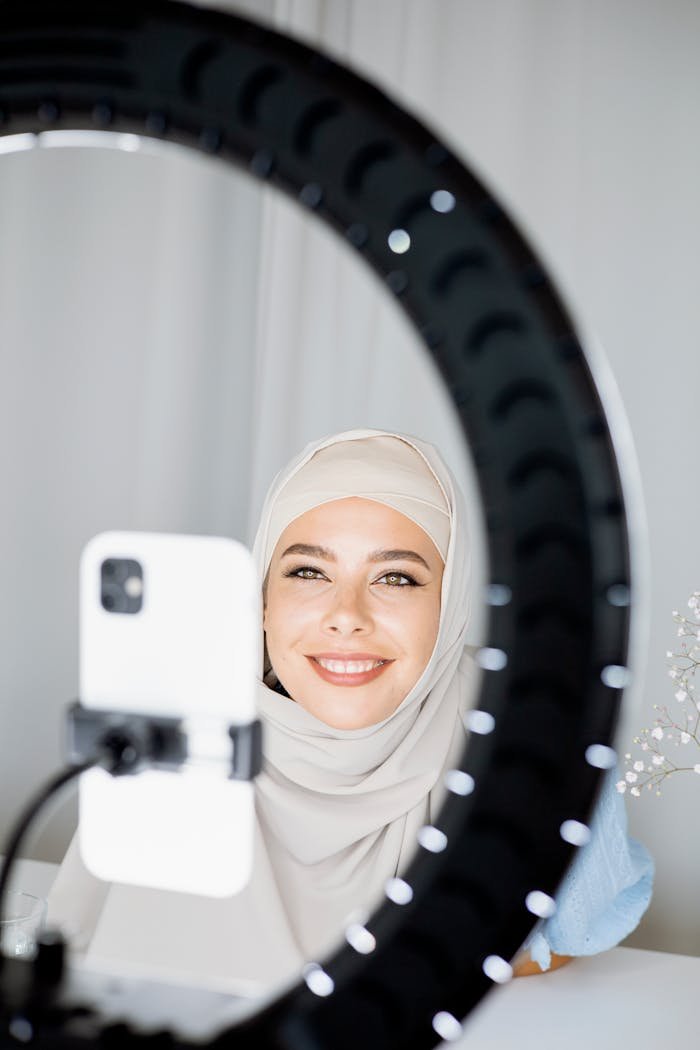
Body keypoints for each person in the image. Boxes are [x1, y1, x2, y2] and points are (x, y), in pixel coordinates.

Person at [47, 427, 653, 991]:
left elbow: (568, 936)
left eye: (396, 578)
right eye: (308, 571)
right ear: (261, 598)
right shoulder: (181, 727)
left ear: (451, 606)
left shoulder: (531, 737)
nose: (346, 615)